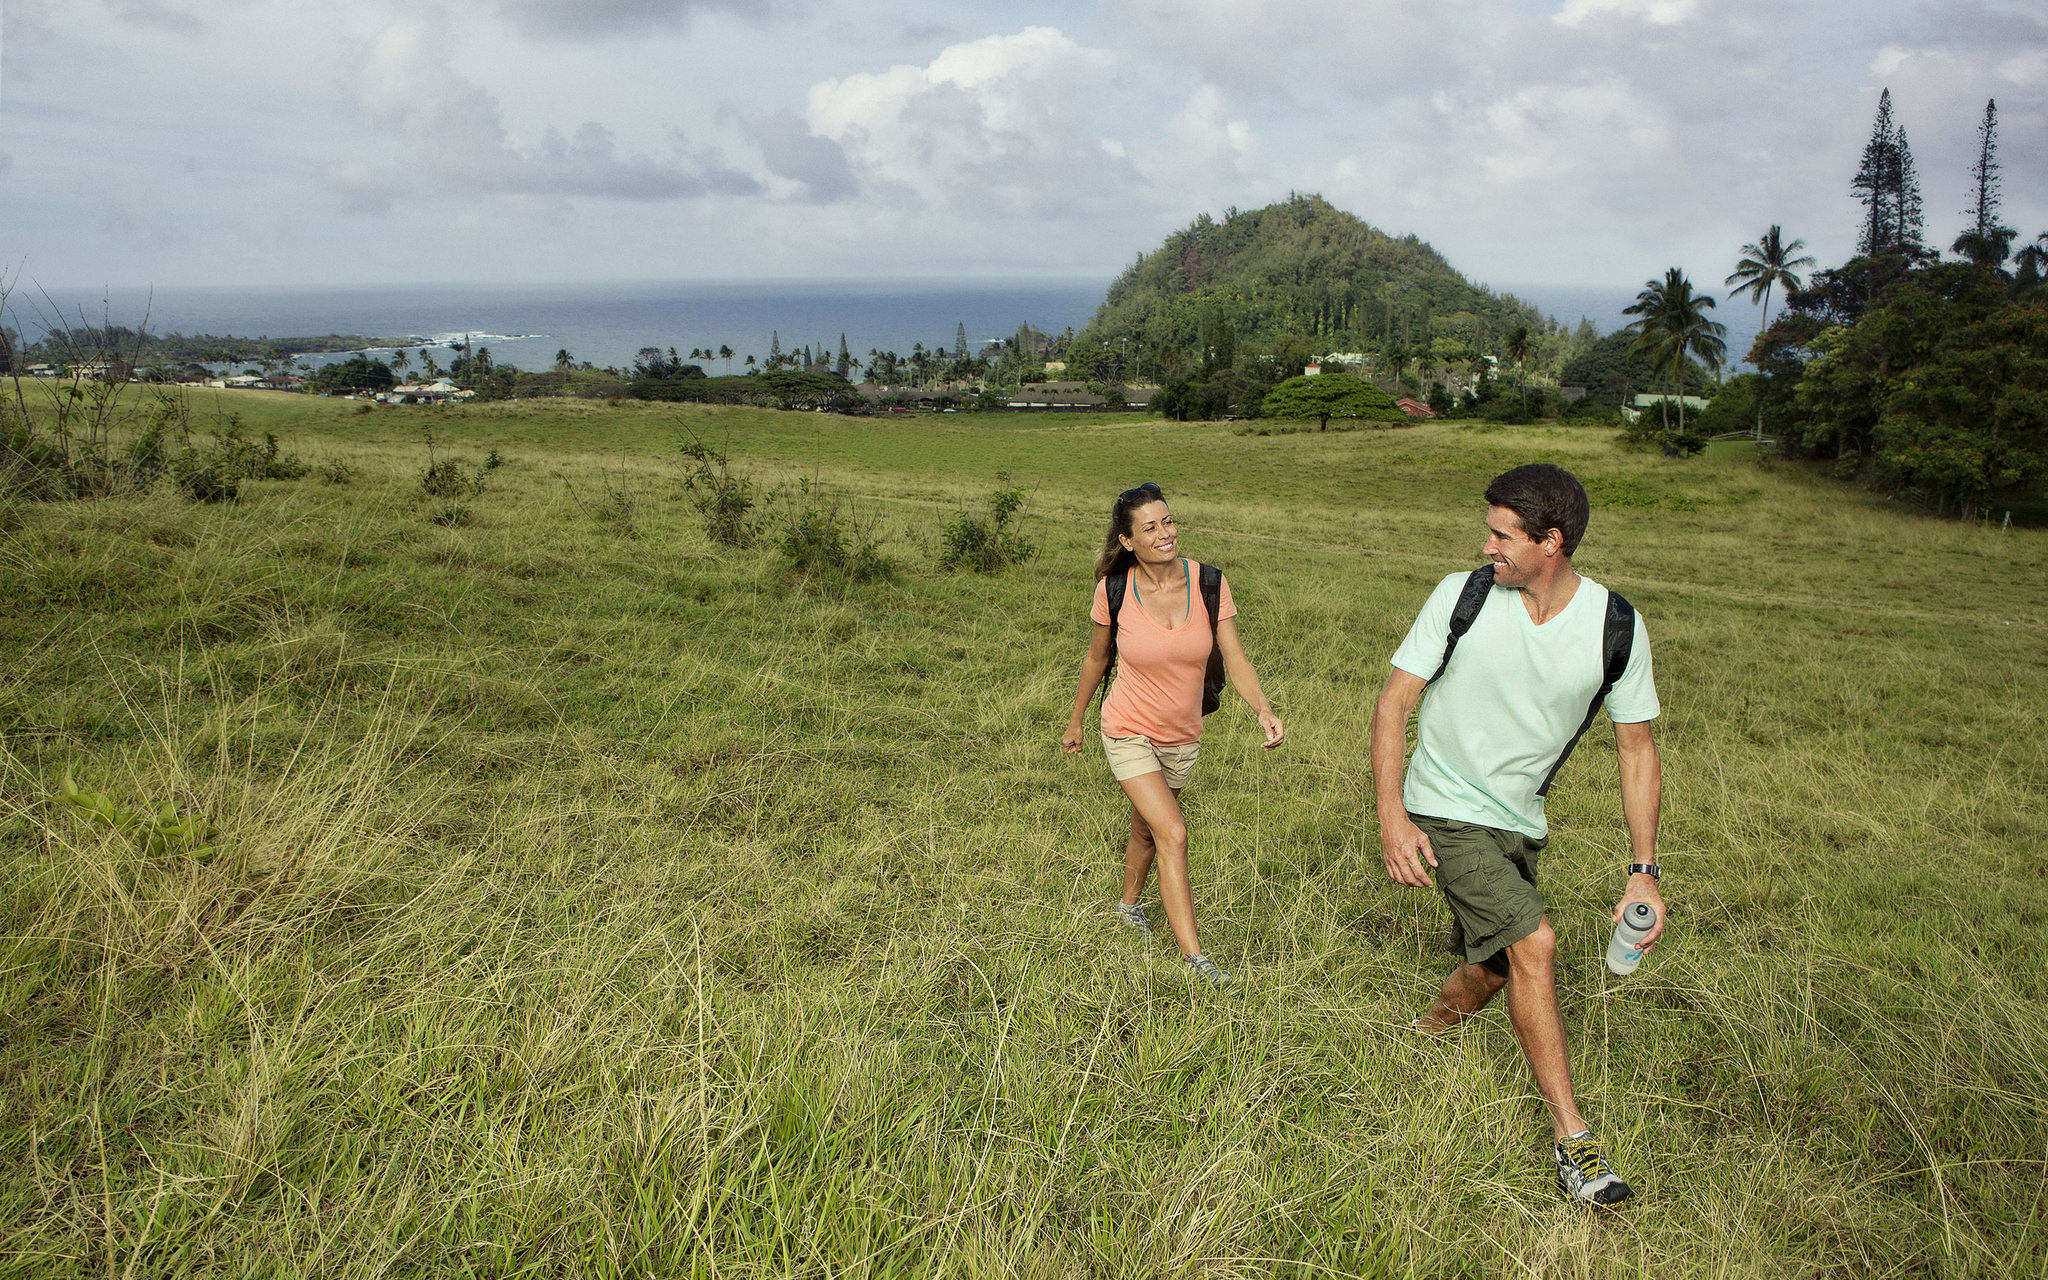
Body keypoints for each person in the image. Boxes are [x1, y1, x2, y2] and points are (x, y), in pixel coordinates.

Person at [1370, 463, 1665, 1208]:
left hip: (1518, 821)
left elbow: (1637, 750)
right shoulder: (1462, 595)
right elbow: (1391, 706)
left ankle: (1423, 1034)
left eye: (1502, 534)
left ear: (1551, 542)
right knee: (1535, 945)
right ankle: (1577, 1146)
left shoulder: (1615, 627)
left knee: (1497, 967)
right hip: (1441, 805)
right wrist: (1392, 816)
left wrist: (1645, 871)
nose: (1487, 544)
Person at [1062, 483, 1284, 989]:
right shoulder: (1114, 591)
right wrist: (1076, 721)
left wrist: (1263, 711)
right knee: (1174, 832)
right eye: (1150, 528)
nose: (1166, 534)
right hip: (1126, 728)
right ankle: (1197, 960)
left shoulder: (1209, 583)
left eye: (1168, 521)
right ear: (1127, 541)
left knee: (1148, 829)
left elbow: (1235, 656)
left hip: (1183, 735)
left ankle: (1127, 905)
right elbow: (1097, 658)